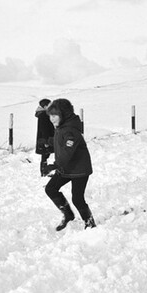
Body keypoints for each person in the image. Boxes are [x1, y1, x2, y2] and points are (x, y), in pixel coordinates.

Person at [42, 98, 96, 230]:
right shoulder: (62, 127)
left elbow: (67, 151)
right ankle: (68, 215)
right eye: (50, 116)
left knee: (77, 199)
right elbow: (61, 142)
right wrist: (49, 142)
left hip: (79, 170)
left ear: (64, 115)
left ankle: (90, 223)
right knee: (50, 189)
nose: (52, 119)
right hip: (66, 168)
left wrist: (54, 165)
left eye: (55, 116)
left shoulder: (70, 130)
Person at [34, 98, 54, 175]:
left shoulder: (44, 114)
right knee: (45, 154)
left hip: (45, 138)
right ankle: (44, 171)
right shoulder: (43, 115)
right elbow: (44, 128)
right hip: (45, 138)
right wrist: (46, 140)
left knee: (45, 154)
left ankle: (44, 171)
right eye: (50, 104)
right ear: (45, 106)